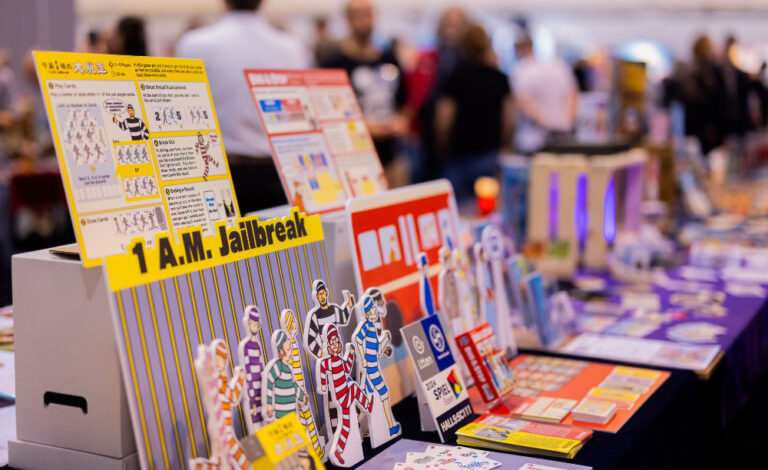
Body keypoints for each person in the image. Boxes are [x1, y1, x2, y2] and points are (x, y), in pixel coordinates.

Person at [176, 0, 311, 213]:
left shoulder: (194, 44)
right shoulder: (291, 48)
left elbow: (182, 112)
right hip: (276, 173)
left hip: (217, 172)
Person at [321, 0, 409, 184]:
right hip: (353, 161)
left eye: (368, 14)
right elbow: (327, 113)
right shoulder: (334, 64)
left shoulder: (389, 58)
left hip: (391, 156)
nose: (364, 21)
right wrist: (364, 127)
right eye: (358, 15)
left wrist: (399, 121)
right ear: (348, 20)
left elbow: (404, 101)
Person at [434, 24, 513, 203]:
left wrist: (442, 148)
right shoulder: (500, 78)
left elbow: (444, 119)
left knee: (458, 212)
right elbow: (508, 120)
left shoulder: (455, 77)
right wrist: (503, 144)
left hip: (459, 155)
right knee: (489, 210)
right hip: (489, 154)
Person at [408, 8, 470, 182]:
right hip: (425, 133)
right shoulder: (428, 56)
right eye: (449, 23)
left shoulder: (468, 59)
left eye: (457, 24)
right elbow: (415, 93)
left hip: (458, 138)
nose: (452, 28)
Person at [512, 33, 578, 153]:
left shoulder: (522, 70)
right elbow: (572, 95)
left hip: (534, 140)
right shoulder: (558, 66)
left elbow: (524, 103)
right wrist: (565, 123)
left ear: (518, 50)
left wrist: (547, 124)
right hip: (563, 135)